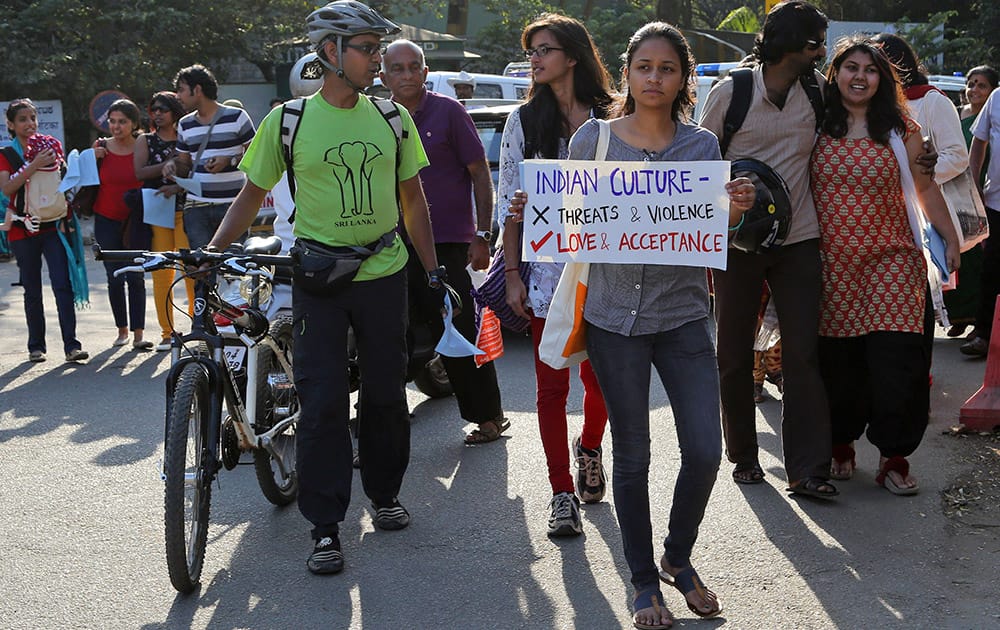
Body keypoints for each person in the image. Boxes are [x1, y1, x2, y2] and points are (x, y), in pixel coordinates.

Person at [205, 0, 447, 576]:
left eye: (377, 48)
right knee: (321, 405)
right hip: (318, 279)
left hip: (384, 275)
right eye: (367, 48)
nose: (378, 60)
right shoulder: (287, 121)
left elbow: (414, 200)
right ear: (330, 53)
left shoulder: (392, 118)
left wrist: (434, 273)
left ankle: (385, 495)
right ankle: (325, 527)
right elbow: (249, 194)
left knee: (388, 394)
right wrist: (212, 254)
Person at [544, 22, 754, 628]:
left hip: (684, 316)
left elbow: (716, 236)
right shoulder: (594, 139)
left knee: (706, 450)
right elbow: (570, 218)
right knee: (631, 457)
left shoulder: (702, 151)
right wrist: (540, 208)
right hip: (613, 318)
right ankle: (643, 584)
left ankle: (677, 558)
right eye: (644, 67)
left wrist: (733, 212)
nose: (654, 78)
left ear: (684, 77)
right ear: (628, 74)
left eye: (667, 68)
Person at [699, 1, 838, 498]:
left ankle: (808, 469)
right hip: (739, 243)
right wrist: (731, 194)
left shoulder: (819, 93)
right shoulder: (731, 92)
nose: (821, 51)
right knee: (733, 353)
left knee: (803, 353)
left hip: (800, 238)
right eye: (814, 42)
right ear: (788, 45)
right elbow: (698, 163)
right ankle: (743, 456)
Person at [811, 37, 960, 494]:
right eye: (850, 67)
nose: (860, 77)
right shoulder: (815, 125)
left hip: (893, 258)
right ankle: (840, 444)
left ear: (883, 79)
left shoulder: (903, 129)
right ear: (834, 74)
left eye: (870, 70)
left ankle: (895, 457)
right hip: (831, 262)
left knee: (896, 358)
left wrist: (951, 240)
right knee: (840, 360)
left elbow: (925, 189)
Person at [499, 12, 611, 537]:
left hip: (608, 271)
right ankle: (561, 491)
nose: (535, 60)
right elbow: (509, 207)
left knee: (602, 380)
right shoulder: (522, 122)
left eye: (543, 49)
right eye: (530, 52)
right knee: (550, 386)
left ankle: (590, 447)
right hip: (545, 273)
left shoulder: (613, 116)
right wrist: (514, 273)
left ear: (572, 55)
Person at [380, 40, 508, 445]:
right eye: (396, 69)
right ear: (382, 76)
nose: (406, 75)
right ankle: (383, 433)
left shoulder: (448, 111)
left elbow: (479, 173)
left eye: (413, 67)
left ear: (425, 70)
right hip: (389, 244)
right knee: (387, 335)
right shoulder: (376, 117)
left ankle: (488, 417)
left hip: (447, 242)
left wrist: (483, 234)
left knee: (459, 327)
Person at [873, 33, 969, 351]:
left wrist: (915, 177)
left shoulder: (931, 101)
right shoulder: (866, 105)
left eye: (881, 62)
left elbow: (958, 155)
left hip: (921, 214)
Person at [0, 98, 88, 363]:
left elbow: (61, 183)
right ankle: (35, 346)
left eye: (33, 118)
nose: (30, 124)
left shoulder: (51, 147)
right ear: (11, 125)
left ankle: (72, 345)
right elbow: (7, 189)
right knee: (32, 289)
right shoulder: (7, 155)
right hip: (22, 229)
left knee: (63, 284)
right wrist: (33, 165)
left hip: (53, 228)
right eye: (23, 120)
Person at [162, 64, 255, 249]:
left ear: (197, 90)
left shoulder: (238, 117)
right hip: (196, 208)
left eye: (181, 90)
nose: (177, 96)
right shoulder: (184, 124)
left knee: (233, 270)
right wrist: (172, 166)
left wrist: (230, 161)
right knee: (201, 270)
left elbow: (257, 156)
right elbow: (185, 164)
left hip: (232, 207)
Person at [133, 92, 195, 351]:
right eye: (154, 109)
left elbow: (194, 169)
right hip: (158, 211)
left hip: (186, 209)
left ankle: (198, 325)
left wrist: (180, 172)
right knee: (162, 273)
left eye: (163, 109)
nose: (157, 114)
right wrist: (170, 165)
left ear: (175, 111)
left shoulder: (187, 136)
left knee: (192, 271)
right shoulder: (145, 139)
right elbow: (139, 172)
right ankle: (167, 333)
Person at [92, 98, 150, 349]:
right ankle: (122, 330)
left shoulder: (144, 145)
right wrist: (92, 157)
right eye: (112, 121)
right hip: (105, 218)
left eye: (122, 122)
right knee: (114, 276)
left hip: (136, 220)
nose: (116, 126)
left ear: (134, 123)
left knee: (136, 276)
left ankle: (139, 334)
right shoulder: (100, 148)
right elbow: (82, 176)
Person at [959, 67, 1000, 354]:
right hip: (996, 202)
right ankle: (984, 335)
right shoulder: (997, 98)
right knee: (992, 270)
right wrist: (974, 189)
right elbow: (978, 144)